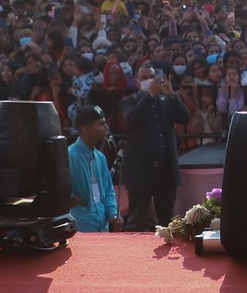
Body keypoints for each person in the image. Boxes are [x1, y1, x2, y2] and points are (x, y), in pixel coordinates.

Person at [120, 65, 190, 230]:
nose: (149, 81)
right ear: (137, 83)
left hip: (165, 169)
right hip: (141, 169)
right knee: (136, 220)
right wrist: (150, 95)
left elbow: (185, 118)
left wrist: (172, 95)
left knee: (167, 219)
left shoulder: (165, 101)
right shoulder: (129, 101)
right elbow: (131, 119)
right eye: (144, 78)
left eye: (151, 77)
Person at [67, 105, 118, 233]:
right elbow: (59, 191)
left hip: (102, 230)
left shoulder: (100, 157)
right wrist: (73, 200)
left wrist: (113, 215)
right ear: (86, 129)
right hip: (80, 230)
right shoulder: (69, 156)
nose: (106, 127)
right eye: (101, 124)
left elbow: (108, 191)